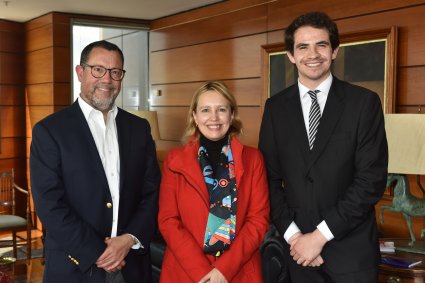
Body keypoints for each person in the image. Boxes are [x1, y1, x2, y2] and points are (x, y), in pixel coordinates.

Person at [259, 12, 388, 283]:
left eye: (321, 45)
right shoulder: (275, 108)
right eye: (303, 46)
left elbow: (370, 181)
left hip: (351, 254)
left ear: (335, 51)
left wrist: (318, 238)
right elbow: (267, 180)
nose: (312, 54)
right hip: (297, 255)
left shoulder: (364, 103)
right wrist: (296, 238)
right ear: (291, 55)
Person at [30, 40, 161, 282]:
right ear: (80, 72)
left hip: (132, 265)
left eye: (115, 72)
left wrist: (129, 238)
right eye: (98, 69)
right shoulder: (50, 131)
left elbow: (152, 192)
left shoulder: (139, 128)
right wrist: (99, 252)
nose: (107, 80)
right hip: (75, 266)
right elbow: (49, 204)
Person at [158, 81, 270, 283]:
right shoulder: (174, 160)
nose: (214, 118)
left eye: (221, 109)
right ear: (194, 115)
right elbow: (168, 221)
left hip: (238, 272)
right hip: (186, 272)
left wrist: (223, 270)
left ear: (232, 114)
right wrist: (202, 272)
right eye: (205, 110)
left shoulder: (253, 159)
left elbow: (258, 221)